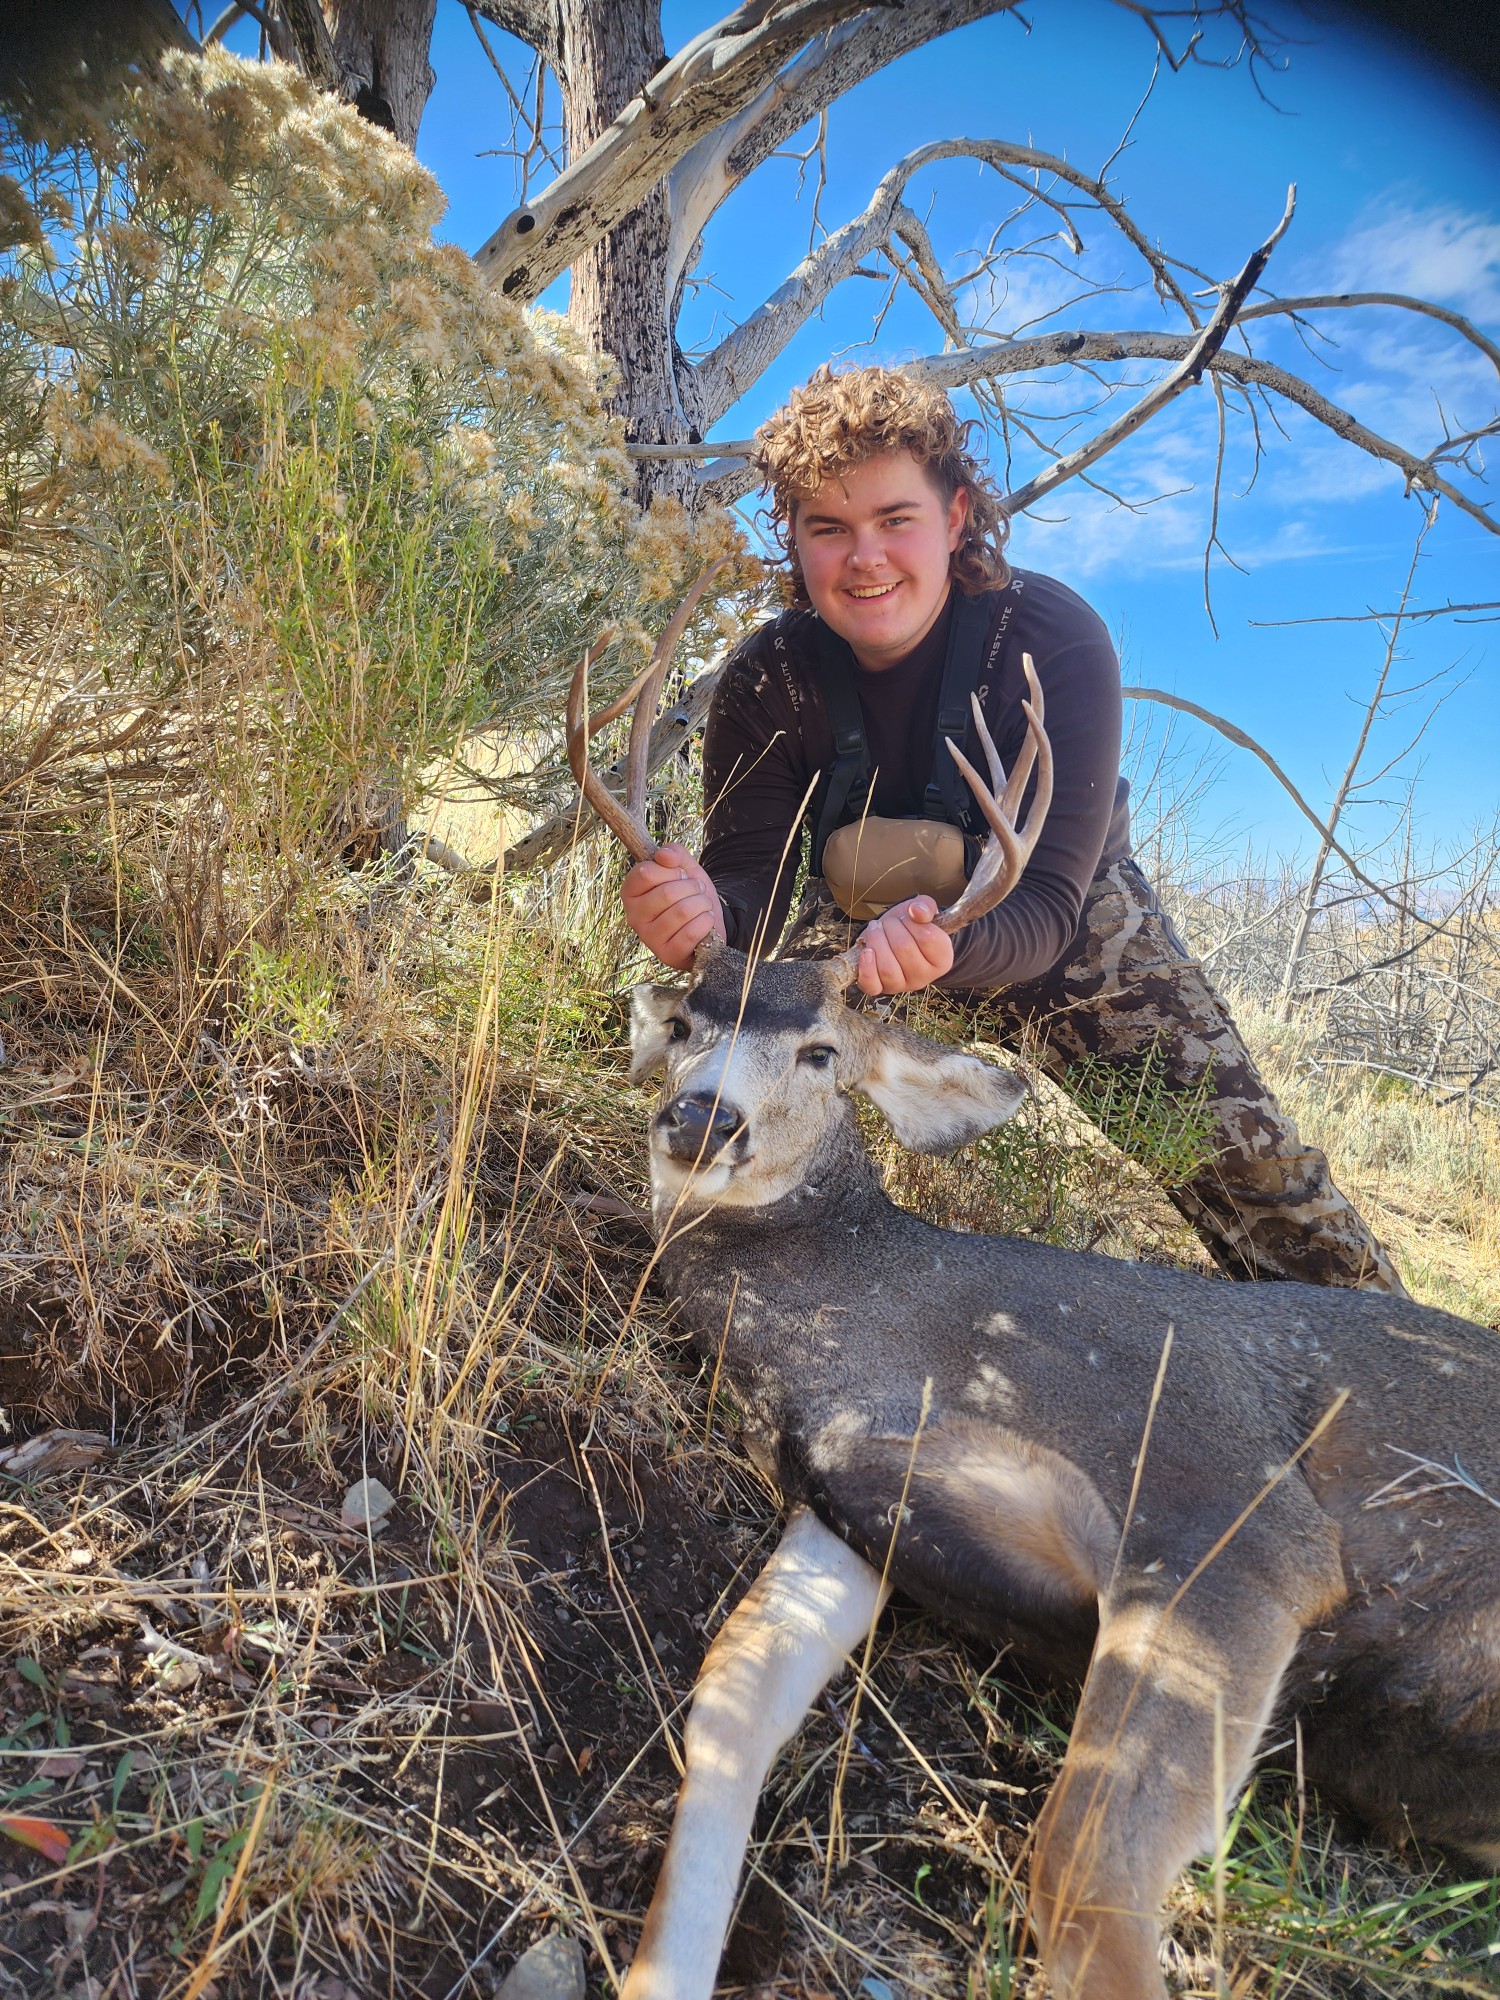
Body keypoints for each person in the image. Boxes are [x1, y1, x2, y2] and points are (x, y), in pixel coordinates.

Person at [621, 364, 1403, 1294]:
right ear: (793, 536)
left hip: (1071, 932)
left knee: (1254, 1172)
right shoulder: (771, 675)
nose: (865, 557)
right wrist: (701, 914)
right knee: (749, 1076)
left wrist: (948, 949)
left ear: (956, 518)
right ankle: (761, 1288)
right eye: (828, 528)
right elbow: (748, 886)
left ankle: (1396, 1350)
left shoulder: (1050, 637)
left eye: (896, 520)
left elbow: (1049, 903)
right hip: (863, 943)